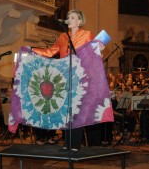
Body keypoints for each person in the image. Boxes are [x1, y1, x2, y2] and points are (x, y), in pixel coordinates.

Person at [32, 9, 103, 151]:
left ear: (79, 21)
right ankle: (67, 143)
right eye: (68, 17)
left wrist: (100, 48)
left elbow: (94, 53)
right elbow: (51, 51)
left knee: (76, 111)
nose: (69, 20)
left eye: (72, 17)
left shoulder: (87, 34)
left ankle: (75, 144)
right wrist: (32, 50)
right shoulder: (63, 36)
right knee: (66, 111)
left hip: (80, 76)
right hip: (64, 77)